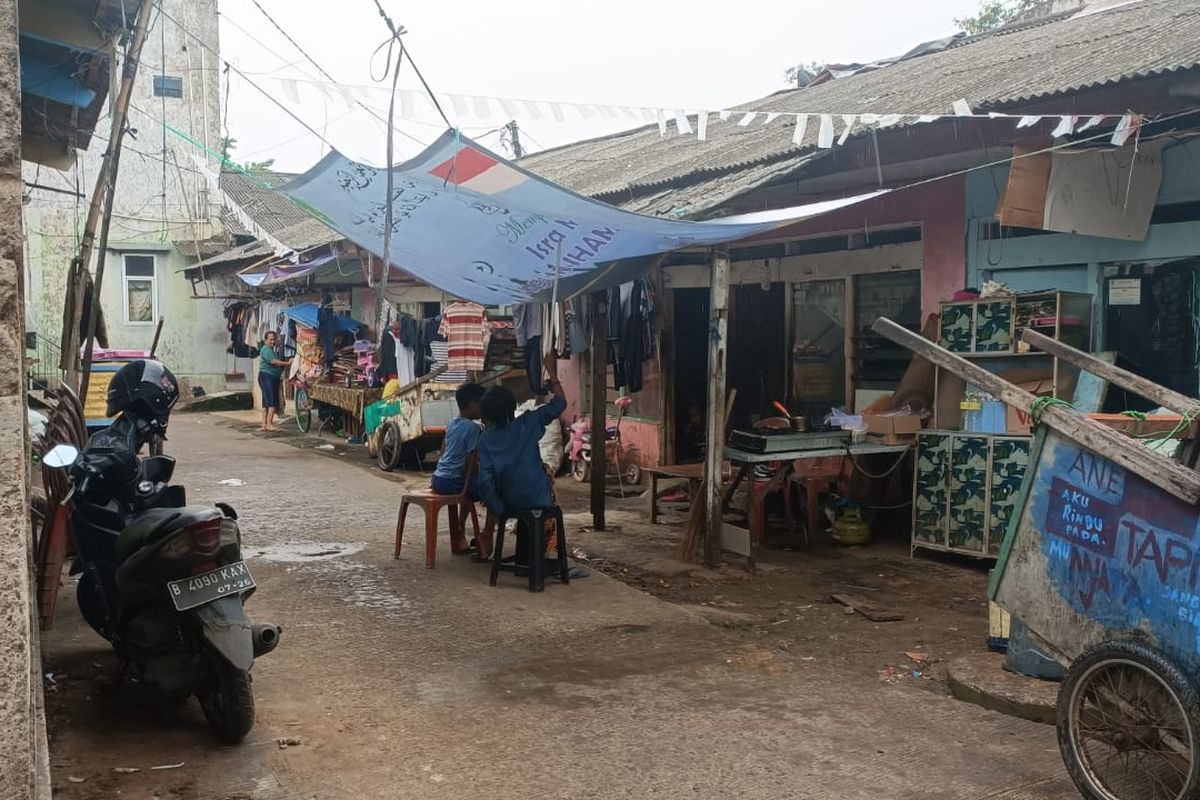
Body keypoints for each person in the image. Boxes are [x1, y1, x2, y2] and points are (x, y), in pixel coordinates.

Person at [477, 359, 567, 562]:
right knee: (546, 477)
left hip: (509, 503)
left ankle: (525, 557)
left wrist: (500, 511)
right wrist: (552, 375)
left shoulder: (486, 440)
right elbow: (560, 403)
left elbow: (485, 483)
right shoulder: (528, 422)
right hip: (539, 499)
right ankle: (539, 556)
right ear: (511, 407)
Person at [430, 382, 485, 496]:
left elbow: (443, 450)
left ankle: (462, 514)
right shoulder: (473, 428)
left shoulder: (451, 423)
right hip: (452, 482)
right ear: (472, 404)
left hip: (437, 478)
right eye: (481, 404)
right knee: (489, 486)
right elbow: (471, 461)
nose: (483, 407)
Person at [258, 331, 290, 432]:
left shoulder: (270, 349)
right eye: (270, 339)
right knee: (271, 400)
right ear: (265, 340)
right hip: (268, 376)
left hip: (268, 376)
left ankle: (264, 424)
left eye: (273, 339)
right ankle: (269, 424)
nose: (272, 341)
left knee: (266, 400)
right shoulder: (266, 349)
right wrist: (287, 363)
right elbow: (274, 362)